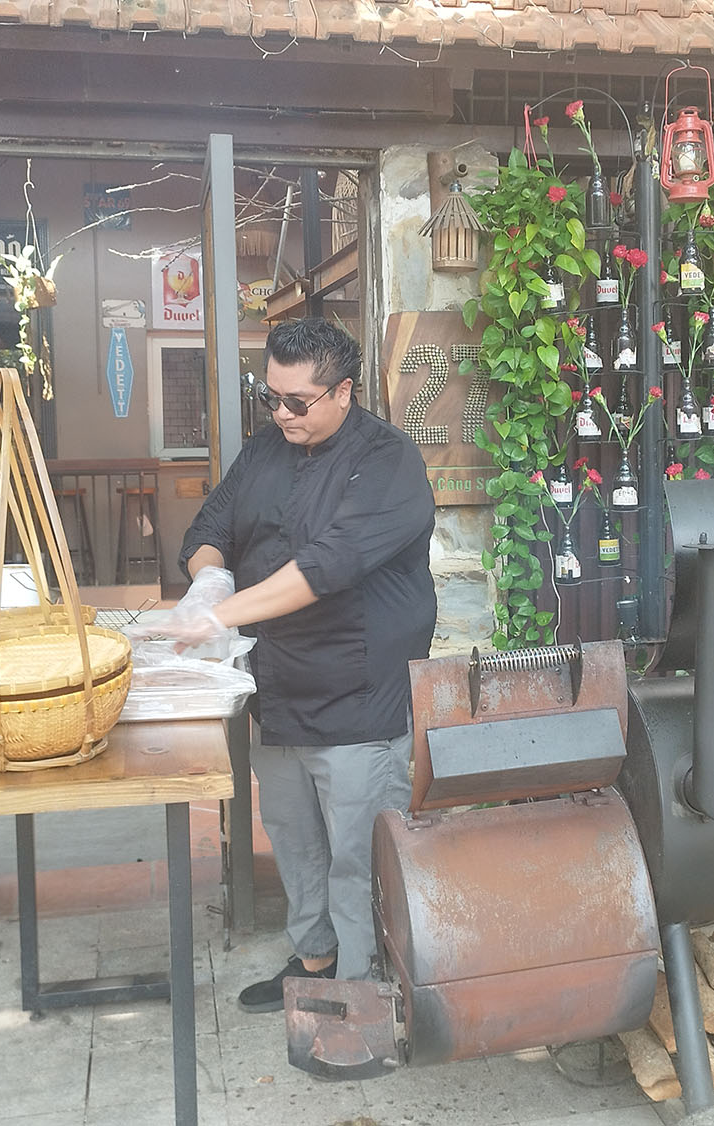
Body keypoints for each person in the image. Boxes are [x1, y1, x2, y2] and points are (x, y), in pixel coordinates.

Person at [156, 318, 438, 1013]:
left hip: (356, 695)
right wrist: (208, 581)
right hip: (277, 687)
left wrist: (219, 616)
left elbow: (324, 568)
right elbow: (209, 530)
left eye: (297, 402)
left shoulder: (389, 462)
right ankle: (314, 960)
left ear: (343, 392)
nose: (280, 413)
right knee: (293, 837)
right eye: (270, 397)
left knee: (357, 851)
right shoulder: (265, 451)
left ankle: (367, 985)